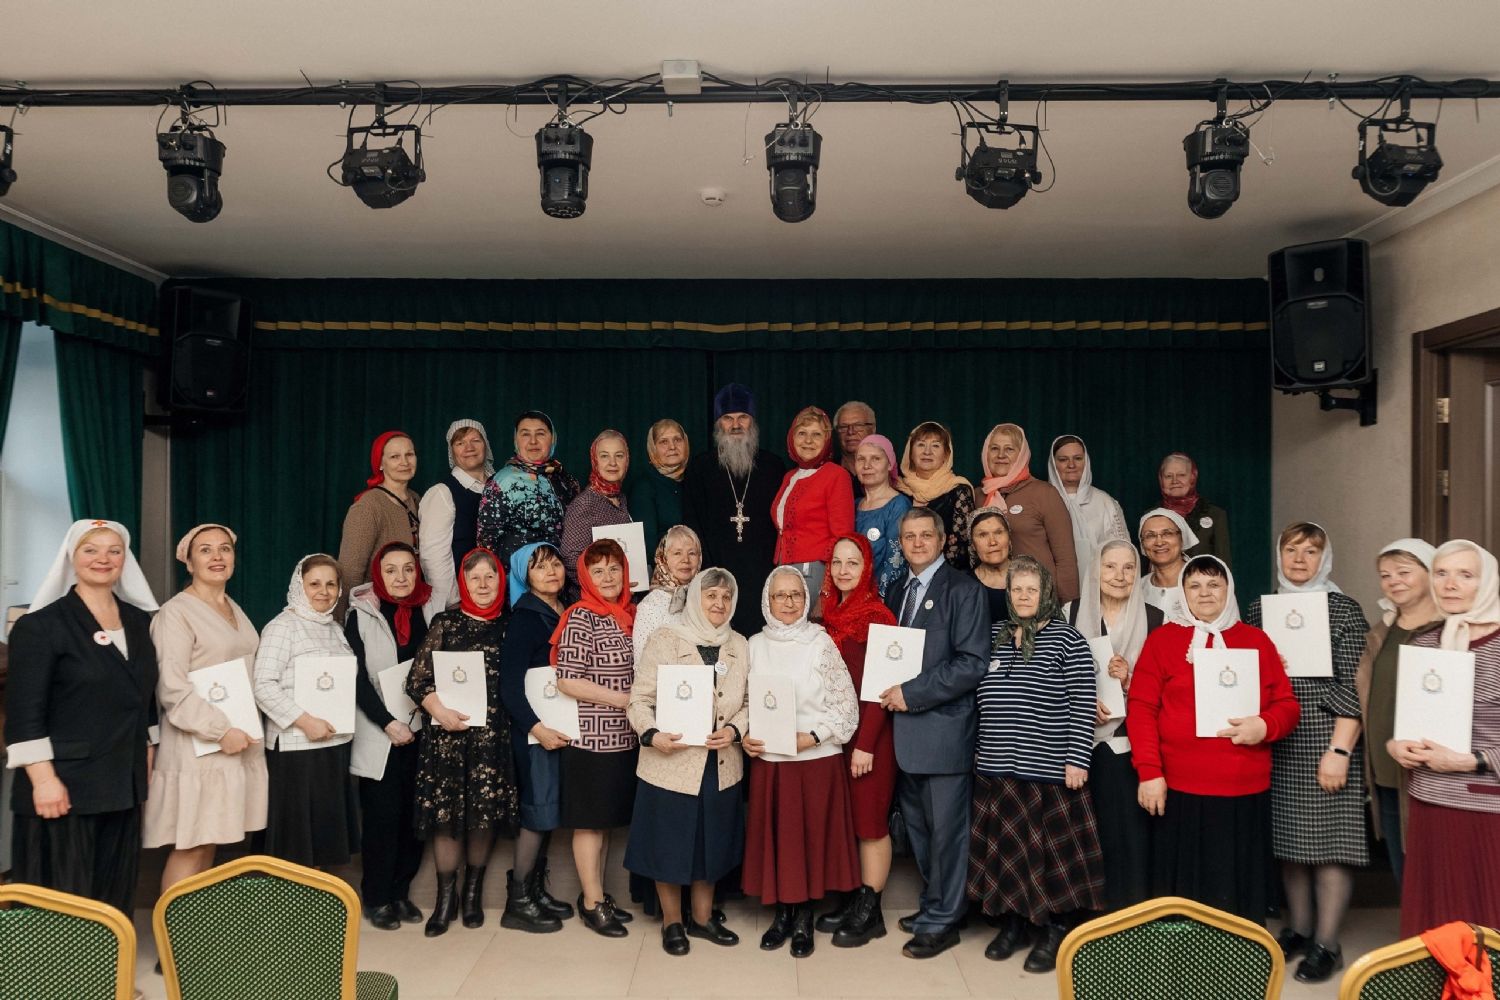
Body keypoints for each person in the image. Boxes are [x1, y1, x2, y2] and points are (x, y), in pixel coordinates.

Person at [1129, 555, 1299, 923]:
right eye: (1194, 585)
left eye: (1214, 584)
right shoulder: (1162, 641)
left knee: (1235, 892)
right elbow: (1141, 710)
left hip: (1242, 789)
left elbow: (1287, 705)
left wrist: (1265, 725)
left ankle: (1236, 964)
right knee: (1182, 896)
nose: (1204, 593)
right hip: (1178, 788)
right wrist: (1149, 773)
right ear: (1183, 593)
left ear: (1229, 589)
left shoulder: (1256, 641)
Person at [5, 519, 159, 916]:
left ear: (126, 560)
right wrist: (43, 781)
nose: (103, 559)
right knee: (62, 899)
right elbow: (24, 713)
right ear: (71, 559)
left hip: (121, 782)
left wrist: (147, 750)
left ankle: (109, 977)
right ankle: (58, 979)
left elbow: (143, 697)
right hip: (63, 787)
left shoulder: (140, 622)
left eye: (114, 550)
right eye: (91, 550)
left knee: (113, 892)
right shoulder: (40, 626)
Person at [1245, 524, 1370, 982]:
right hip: (1276, 738)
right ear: (1279, 556)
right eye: (1291, 549)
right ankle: (1298, 929)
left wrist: (1339, 749)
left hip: (1326, 737)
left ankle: (1327, 943)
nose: (1299, 558)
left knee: (1329, 846)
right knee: (1290, 844)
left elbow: (1356, 687)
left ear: (1325, 557)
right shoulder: (1261, 608)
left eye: (1311, 550)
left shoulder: (1344, 610)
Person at [968, 557, 1102, 973]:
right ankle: (1012, 924)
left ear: (1046, 594)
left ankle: (1054, 930)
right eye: (1016, 590)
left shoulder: (1068, 640)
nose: (1023, 597)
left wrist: (1077, 758)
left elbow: (1083, 703)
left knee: (1050, 859)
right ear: (1007, 595)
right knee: (1008, 853)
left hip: (1047, 769)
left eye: (1032, 590)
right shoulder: (993, 636)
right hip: (997, 765)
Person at [878, 506, 990, 959]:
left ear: (943, 540)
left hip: (943, 731)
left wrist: (911, 693)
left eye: (926, 535)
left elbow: (972, 663)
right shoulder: (897, 588)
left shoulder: (963, 589)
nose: (918, 542)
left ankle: (945, 918)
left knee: (947, 833)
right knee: (921, 830)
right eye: (909, 536)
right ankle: (934, 904)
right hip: (904, 734)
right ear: (900, 543)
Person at [626, 568, 750, 956]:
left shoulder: (740, 644)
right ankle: (672, 922)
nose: (719, 604)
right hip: (671, 762)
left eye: (726, 597)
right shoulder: (665, 638)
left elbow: (747, 702)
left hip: (720, 762)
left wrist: (734, 730)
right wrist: (652, 734)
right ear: (695, 598)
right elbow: (639, 700)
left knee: (710, 843)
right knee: (670, 844)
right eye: (710, 595)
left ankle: (702, 917)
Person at [742, 566, 860, 959]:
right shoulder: (753, 645)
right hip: (770, 762)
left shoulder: (820, 643)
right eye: (780, 595)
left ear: (806, 599)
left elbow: (846, 708)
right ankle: (781, 914)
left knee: (807, 841)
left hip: (813, 760)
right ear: (767, 600)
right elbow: (742, 703)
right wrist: (745, 735)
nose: (789, 602)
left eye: (795, 594)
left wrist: (809, 737)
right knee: (779, 840)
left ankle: (804, 917)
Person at [144, 524, 266, 896]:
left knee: (210, 842)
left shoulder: (234, 609)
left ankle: (188, 941)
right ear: (188, 561)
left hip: (235, 743)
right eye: (206, 550)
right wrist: (219, 730)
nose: (217, 557)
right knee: (192, 845)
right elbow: (171, 687)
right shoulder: (175, 614)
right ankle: (170, 948)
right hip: (199, 748)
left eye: (225, 549)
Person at [407, 547, 520, 936]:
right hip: (448, 740)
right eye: (475, 578)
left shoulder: (510, 626)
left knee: (482, 818)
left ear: (501, 580)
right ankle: (444, 901)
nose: (484, 584)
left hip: (493, 740)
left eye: (490, 576)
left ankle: (471, 896)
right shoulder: (446, 623)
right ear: (463, 583)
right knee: (447, 821)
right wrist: (440, 712)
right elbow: (417, 681)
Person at [1390, 539, 1500, 938]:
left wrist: (1471, 761)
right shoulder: (1424, 644)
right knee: (1435, 928)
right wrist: (1396, 746)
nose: (1450, 584)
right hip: (1429, 802)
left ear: (1486, 583)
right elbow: (1412, 723)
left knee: (1485, 928)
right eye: (1441, 573)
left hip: (1487, 812)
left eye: (1465, 575)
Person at [1069, 540, 1164, 913]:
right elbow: (1053, 673)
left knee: (1126, 835)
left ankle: (1126, 915)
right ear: (1096, 570)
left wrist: (1130, 680)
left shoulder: (1156, 618)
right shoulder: (1070, 612)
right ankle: (1083, 919)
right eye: (1110, 567)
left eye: (1128, 568)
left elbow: (1168, 687)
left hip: (1129, 745)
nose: (1119, 576)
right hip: (1077, 742)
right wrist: (1080, 701)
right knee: (1081, 834)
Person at [552, 539, 640, 937]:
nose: (607, 577)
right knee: (589, 823)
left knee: (603, 823)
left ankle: (600, 896)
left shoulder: (630, 614)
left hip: (624, 738)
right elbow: (567, 680)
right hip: (590, 738)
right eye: (598, 570)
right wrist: (623, 699)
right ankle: (590, 902)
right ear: (586, 576)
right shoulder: (580, 616)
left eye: (614, 569)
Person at [815, 535, 899, 948]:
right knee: (849, 820)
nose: (844, 570)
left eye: (853, 562)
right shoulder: (827, 614)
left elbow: (882, 689)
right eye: (837, 562)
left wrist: (866, 744)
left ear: (867, 568)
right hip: (837, 737)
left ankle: (872, 911)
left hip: (871, 739)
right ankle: (853, 901)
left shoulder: (879, 617)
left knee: (869, 824)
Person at [252, 554, 360, 870]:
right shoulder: (282, 626)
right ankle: (286, 912)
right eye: (314, 584)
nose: (323, 591)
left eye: (331, 584)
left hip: (334, 746)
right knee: (294, 843)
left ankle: (315, 911)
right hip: (296, 751)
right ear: (300, 586)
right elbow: (263, 685)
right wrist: (305, 721)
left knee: (324, 839)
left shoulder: (335, 629)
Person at [346, 542, 430, 930]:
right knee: (382, 819)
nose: (400, 578)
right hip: (381, 734)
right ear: (379, 574)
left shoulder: (428, 611)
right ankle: (377, 897)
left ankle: (400, 893)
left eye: (408, 570)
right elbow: (357, 681)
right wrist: (387, 723)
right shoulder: (359, 616)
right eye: (392, 570)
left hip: (422, 731)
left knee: (414, 820)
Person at [1355, 538, 1441, 888]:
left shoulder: (1451, 632)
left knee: (1435, 872)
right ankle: (1415, 941)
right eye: (1385, 575)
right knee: (1403, 873)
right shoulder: (1381, 633)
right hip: (1386, 773)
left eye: (1404, 572)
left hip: (1432, 775)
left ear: (1431, 573)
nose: (1394, 581)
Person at [498, 542, 574, 933]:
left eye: (556, 563)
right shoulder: (526, 618)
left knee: (548, 814)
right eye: (539, 566)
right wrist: (538, 730)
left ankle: (534, 891)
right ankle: (517, 902)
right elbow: (509, 687)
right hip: (535, 732)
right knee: (536, 811)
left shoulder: (562, 610)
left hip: (559, 727)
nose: (551, 572)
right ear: (523, 576)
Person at [680, 384, 784, 636]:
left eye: (742, 418)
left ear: (753, 422)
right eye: (728, 418)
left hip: (763, 577)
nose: (735, 425)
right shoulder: (700, 468)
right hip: (716, 580)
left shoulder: (773, 467)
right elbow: (692, 525)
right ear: (719, 425)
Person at [979, 424, 1079, 604]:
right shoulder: (978, 495)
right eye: (994, 448)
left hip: (1039, 600)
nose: (1001, 455)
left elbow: (1066, 560)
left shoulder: (1044, 493)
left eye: (1009, 449)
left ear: (1022, 455)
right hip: (991, 599)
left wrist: (1069, 608)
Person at [772, 406, 855, 601]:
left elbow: (842, 536)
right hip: (783, 568)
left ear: (826, 440)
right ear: (792, 438)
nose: (808, 441)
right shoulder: (789, 477)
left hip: (815, 570)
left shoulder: (836, 475)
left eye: (816, 434)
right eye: (802, 433)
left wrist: (827, 584)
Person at [477, 410, 581, 565]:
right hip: (520, 579)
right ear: (516, 440)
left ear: (552, 439)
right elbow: (487, 542)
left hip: (564, 578)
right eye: (525, 434)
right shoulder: (502, 482)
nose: (533, 441)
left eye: (540, 434)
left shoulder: (566, 479)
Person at [419, 419, 495, 621]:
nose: (468, 447)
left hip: (498, 598)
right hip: (462, 602)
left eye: (475, 440)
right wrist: (452, 601)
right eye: (460, 443)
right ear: (451, 451)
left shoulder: (500, 486)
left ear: (486, 445)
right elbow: (433, 557)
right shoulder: (442, 493)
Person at [337, 431, 420, 614]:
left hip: (410, 607)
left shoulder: (416, 500)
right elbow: (350, 571)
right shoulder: (368, 506)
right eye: (394, 457)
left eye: (409, 454)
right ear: (380, 464)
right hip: (375, 611)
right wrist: (345, 620)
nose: (404, 462)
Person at [1048, 435, 1130, 601]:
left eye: (1078, 458)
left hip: (1100, 595)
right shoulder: (1042, 500)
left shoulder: (1105, 502)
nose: (1071, 465)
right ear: (1053, 464)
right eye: (1063, 459)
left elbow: (1123, 552)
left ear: (1087, 462)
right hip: (1051, 594)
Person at [896, 421, 976, 570]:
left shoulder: (959, 491)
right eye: (921, 444)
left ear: (946, 454)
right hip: (902, 579)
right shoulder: (898, 489)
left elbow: (961, 549)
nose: (927, 452)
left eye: (936, 445)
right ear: (910, 453)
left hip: (947, 581)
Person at [561, 430, 634, 589]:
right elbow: (570, 559)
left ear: (627, 460)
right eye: (604, 456)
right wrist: (605, 586)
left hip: (623, 597)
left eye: (619, 456)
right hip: (596, 603)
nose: (613, 463)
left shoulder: (620, 498)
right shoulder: (585, 503)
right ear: (595, 461)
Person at [632, 525, 703, 663]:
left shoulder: (708, 599)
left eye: (692, 553)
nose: (686, 560)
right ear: (663, 558)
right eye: (677, 553)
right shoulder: (649, 607)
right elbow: (642, 665)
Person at [852, 434, 911, 599]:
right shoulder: (853, 504)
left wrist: (876, 600)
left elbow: (896, 561)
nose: (867, 465)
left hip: (881, 601)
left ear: (890, 464)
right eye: (861, 459)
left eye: (876, 459)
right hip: (850, 598)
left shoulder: (899, 505)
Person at [630, 418, 690, 558]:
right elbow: (647, 545)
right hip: (664, 571)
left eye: (677, 439)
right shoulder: (644, 487)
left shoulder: (696, 480)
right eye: (664, 441)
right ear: (653, 448)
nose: (672, 447)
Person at [1156, 453, 1230, 565]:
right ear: (1161, 479)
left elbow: (1224, 565)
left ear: (1192, 477)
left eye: (1181, 475)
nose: (1175, 481)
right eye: (1168, 476)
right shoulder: (1151, 517)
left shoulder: (1215, 515)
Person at [1138, 508, 1199, 623]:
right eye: (1150, 535)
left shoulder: (1209, 585)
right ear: (1142, 544)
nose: (1159, 542)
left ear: (1182, 539)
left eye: (1167, 533)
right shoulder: (1137, 589)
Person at [970, 508, 1014, 625]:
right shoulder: (963, 586)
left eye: (998, 532)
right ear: (973, 544)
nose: (992, 542)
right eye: (983, 535)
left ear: (1009, 537)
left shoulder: (1033, 576)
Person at [833, 401, 877, 484]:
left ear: (872, 429)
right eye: (844, 427)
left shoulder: (888, 472)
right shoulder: (827, 472)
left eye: (858, 425)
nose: (850, 432)